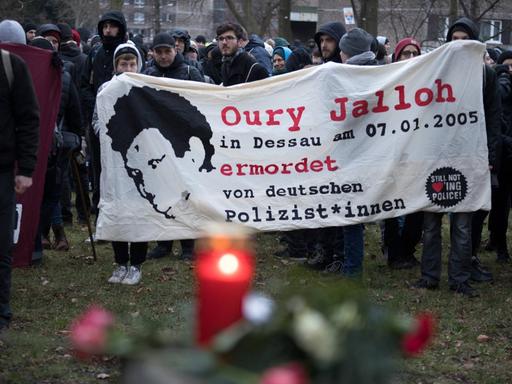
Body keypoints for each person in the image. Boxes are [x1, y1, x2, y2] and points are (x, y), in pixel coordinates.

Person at [414, 17, 501, 297]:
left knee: (462, 226)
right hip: (435, 158)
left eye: (465, 39)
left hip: (468, 157)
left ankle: (459, 279)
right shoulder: (434, 73)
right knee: (430, 224)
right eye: (455, 39)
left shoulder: (485, 76)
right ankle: (429, 277)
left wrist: (491, 156)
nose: (459, 44)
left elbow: (493, 118)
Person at [142, 32, 205, 260]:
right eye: (158, 52)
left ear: (175, 49)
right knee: (162, 194)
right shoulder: (148, 74)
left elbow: (202, 104)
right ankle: (164, 243)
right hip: (158, 144)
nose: (163, 56)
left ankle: (189, 247)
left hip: (185, 143)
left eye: (166, 51)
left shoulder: (190, 72)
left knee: (186, 195)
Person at [93, 42, 147, 284]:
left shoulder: (146, 88)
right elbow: (97, 119)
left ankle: (136, 264)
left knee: (138, 211)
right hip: (114, 160)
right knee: (116, 207)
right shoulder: (105, 89)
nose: (128, 67)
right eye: (123, 63)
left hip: (141, 160)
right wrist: (105, 136)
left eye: (132, 63)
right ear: (116, 66)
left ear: (139, 64)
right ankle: (119, 262)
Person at [0, 21, 40, 330]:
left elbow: (29, 119)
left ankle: (1, 309)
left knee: (1, 244)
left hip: (2, 171)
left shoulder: (12, 66)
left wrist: (26, 169)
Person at [81, 11, 127, 227]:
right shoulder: (95, 53)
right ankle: (102, 216)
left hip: (125, 121)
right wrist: (98, 104)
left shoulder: (128, 53)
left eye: (113, 26)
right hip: (99, 122)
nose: (108, 30)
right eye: (105, 26)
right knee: (99, 170)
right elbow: (85, 85)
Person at [382, 38, 423, 270]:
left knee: (417, 208)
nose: (409, 58)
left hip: (418, 153)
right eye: (405, 54)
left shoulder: (427, 82)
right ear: (396, 57)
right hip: (393, 154)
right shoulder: (388, 82)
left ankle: (408, 249)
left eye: (413, 53)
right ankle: (393, 251)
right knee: (391, 205)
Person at [216, 22, 268, 86]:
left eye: (229, 38)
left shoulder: (255, 68)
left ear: (240, 42)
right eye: (221, 39)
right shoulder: (225, 65)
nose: (224, 42)